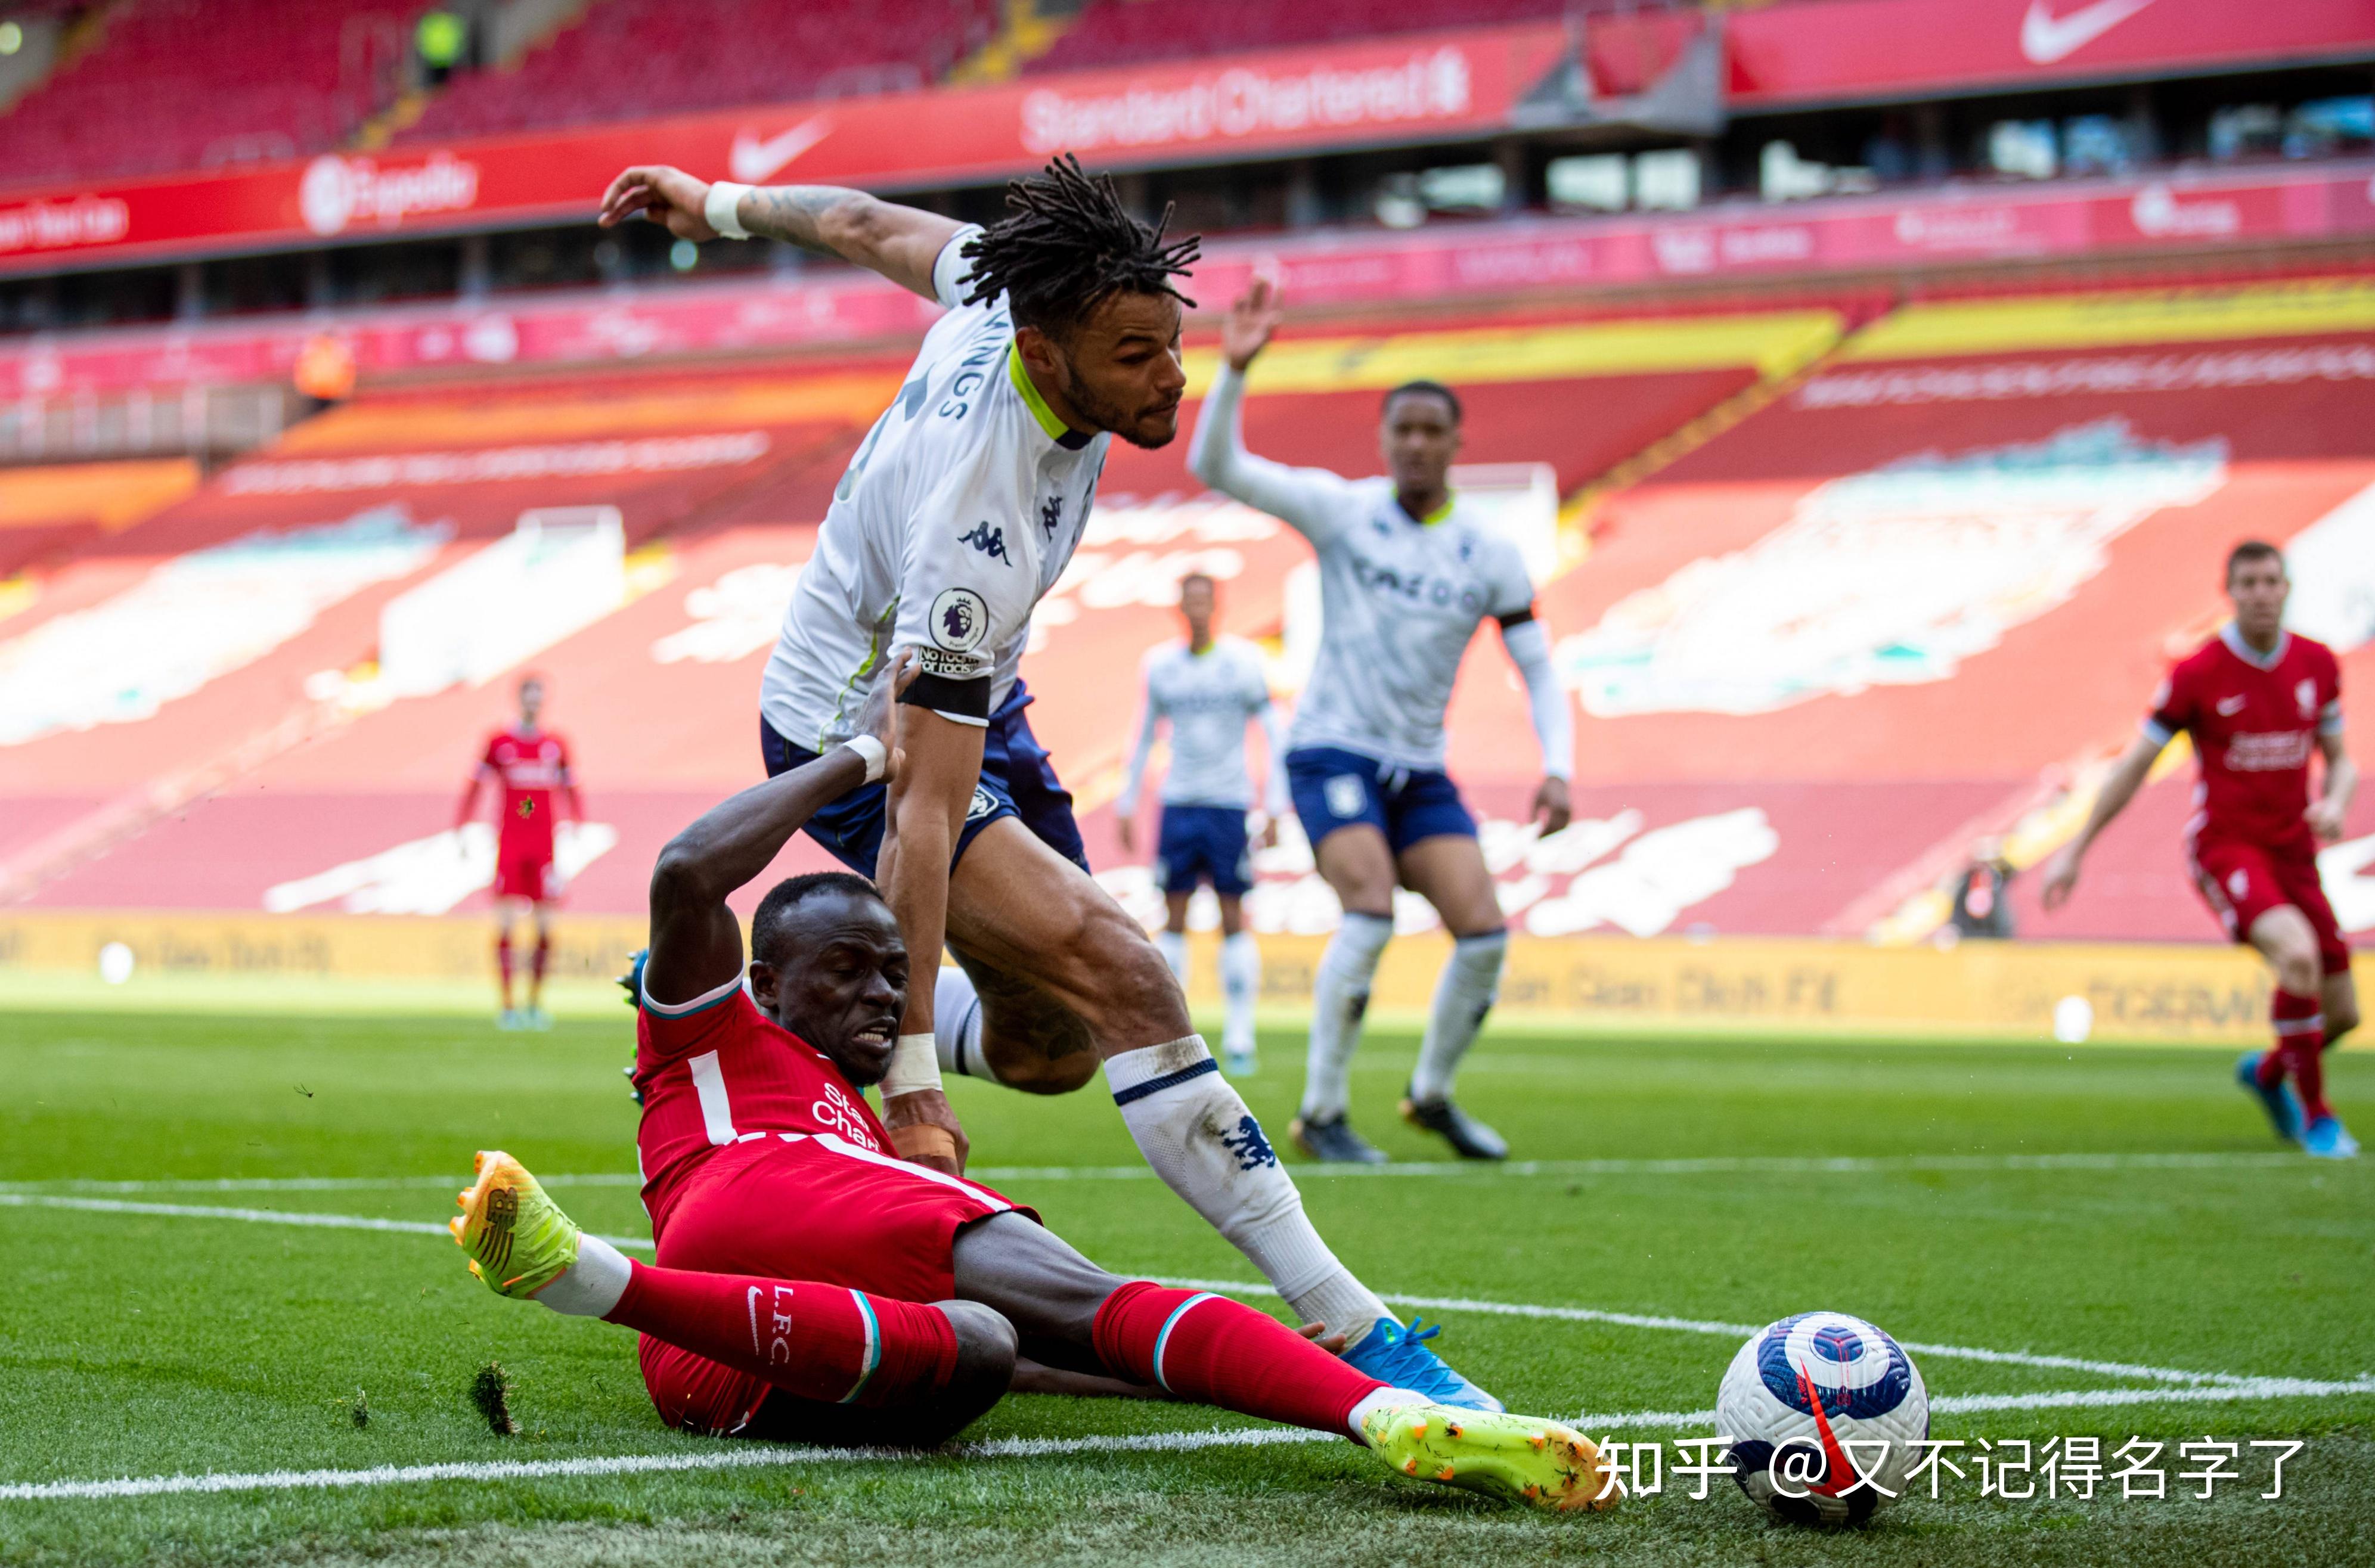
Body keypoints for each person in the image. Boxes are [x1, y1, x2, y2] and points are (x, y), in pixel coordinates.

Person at [599, 156, 1498, 1406]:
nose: (1168, 376)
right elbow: (918, 802)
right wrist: (910, 1086)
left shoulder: (1001, 282)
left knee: (1055, 1047)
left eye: (1169, 344)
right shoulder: (987, 520)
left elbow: (859, 217)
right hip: (854, 737)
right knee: (1130, 973)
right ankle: (1356, 1327)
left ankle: (809, 1028)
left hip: (975, 695)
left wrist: (721, 205)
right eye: (1132, 356)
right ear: (1049, 348)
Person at [444, 653, 1619, 1514]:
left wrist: (1199, 1381)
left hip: (721, 1363)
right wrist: (862, 754)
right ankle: (1379, 1404)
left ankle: (594, 1278)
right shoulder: (715, 1031)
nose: (875, 994)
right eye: (844, 969)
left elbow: (1034, 1103)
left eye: (894, 974)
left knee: (990, 1347)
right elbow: (689, 871)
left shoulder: (855, 1107)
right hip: (757, 1203)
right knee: (1095, 1295)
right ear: (768, 977)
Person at [1189, 275, 1576, 1165]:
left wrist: (1558, 764)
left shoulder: (1490, 550)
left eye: (1430, 431)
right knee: (1368, 908)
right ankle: (1322, 1111)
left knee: (1482, 929)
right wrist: (1236, 372)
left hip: (1419, 767)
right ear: (1384, 440)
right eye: (1401, 429)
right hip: (1332, 749)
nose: (1414, 443)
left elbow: (1539, 667)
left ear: (1455, 444)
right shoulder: (1343, 509)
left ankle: (1431, 1094)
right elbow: (1217, 468)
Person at [2042, 541, 2360, 1158]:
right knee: (2297, 958)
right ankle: (2318, 1118)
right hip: (2228, 848)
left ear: (2287, 587)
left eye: (2272, 581)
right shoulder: (2198, 674)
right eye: (2250, 583)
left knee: (2343, 1014)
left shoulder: (2318, 664)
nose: (2262, 594)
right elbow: (2135, 765)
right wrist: (2076, 849)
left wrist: (2336, 805)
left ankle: (2268, 1075)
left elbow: (2342, 762)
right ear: (2231, 592)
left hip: (2295, 851)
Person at [1117, 571, 1289, 1076]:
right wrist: (1129, 801)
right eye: (1188, 599)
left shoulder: (1243, 664)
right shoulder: (1161, 666)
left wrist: (1275, 806)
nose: (1196, 608)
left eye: (1203, 599)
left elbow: (1275, 735)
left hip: (1229, 804)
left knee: (1234, 916)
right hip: (1179, 803)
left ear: (1216, 605)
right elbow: (1144, 734)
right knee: (1175, 917)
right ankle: (1175, 1031)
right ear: (1180, 606)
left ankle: (1240, 1034)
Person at [455, 673, 579, 1029]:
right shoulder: (499, 743)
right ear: (519, 700)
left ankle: (535, 1005)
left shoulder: (555, 745)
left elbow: (572, 790)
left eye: (539, 696)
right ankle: (509, 1007)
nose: (534, 702)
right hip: (511, 842)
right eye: (529, 696)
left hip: (544, 846)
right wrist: (463, 824)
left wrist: (577, 823)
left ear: (544, 701)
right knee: (508, 923)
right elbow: (475, 786)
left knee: (544, 928)